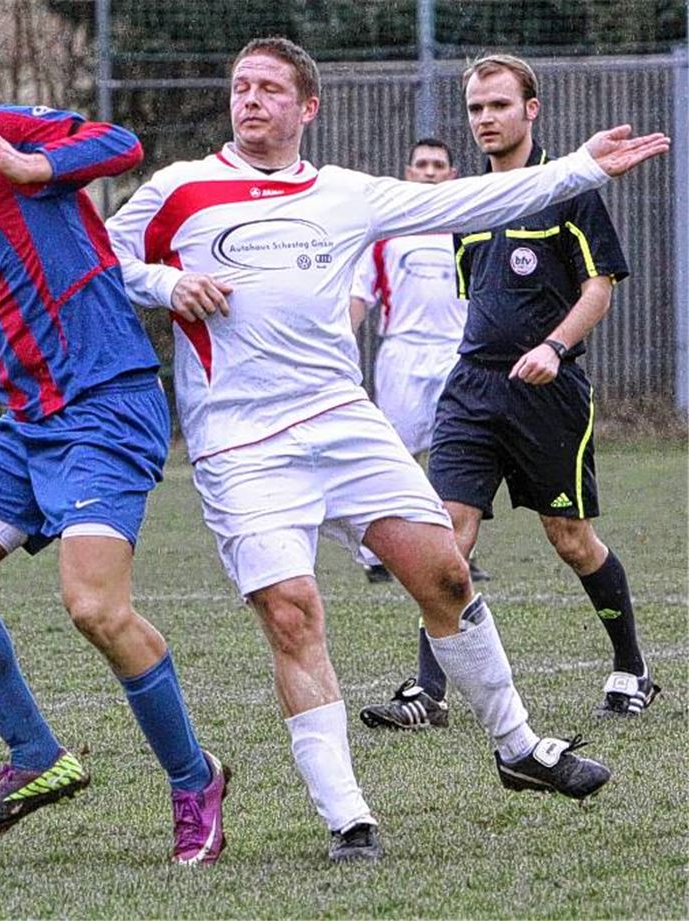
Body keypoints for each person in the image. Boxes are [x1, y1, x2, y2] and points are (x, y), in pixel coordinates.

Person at [105, 36, 668, 862]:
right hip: (240, 441)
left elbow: (470, 200)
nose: (250, 100)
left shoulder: (346, 194)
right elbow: (101, 260)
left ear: (308, 107)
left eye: (268, 88)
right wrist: (164, 283)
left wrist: (580, 166)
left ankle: (517, 747)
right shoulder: (178, 190)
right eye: (240, 86)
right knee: (294, 612)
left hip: (341, 418)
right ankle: (349, 818)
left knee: (444, 570)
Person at [0, 27, 228, 865]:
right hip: (32, 422)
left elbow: (119, 141)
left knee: (95, 607)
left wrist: (40, 166)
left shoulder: (1, 132)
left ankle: (194, 779)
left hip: (105, 409)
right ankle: (36, 755)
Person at [361, 54, 660, 733]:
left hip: (548, 393)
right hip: (472, 387)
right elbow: (478, 297)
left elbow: (599, 287)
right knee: (445, 538)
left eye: (498, 105)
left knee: (571, 538)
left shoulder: (571, 188)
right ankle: (428, 694)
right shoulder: (467, 202)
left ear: (531, 109)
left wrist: (554, 348)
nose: (485, 119)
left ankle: (631, 666)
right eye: (474, 108)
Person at [348, 138, 489, 585]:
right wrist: (339, 342)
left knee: (460, 456)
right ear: (408, 172)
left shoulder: (470, 228)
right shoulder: (385, 233)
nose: (429, 171)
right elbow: (359, 296)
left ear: (452, 175)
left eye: (438, 165)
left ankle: (454, 554)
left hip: (457, 353)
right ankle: (376, 556)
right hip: (403, 353)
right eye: (422, 164)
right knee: (394, 455)